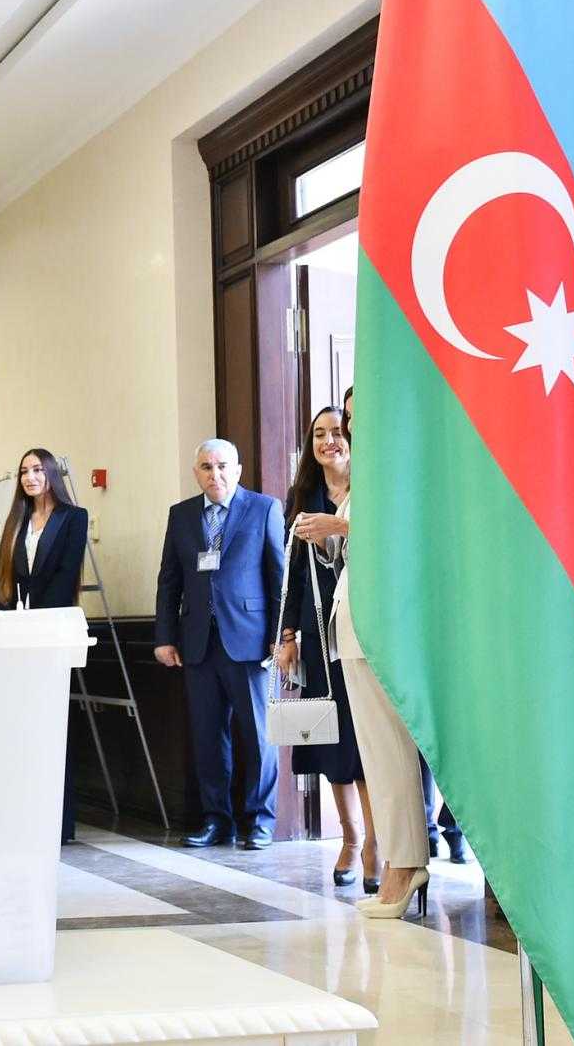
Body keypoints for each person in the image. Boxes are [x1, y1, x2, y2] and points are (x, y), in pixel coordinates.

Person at [327, 386, 431, 919]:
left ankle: (404, 861)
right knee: (376, 750)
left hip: (389, 618)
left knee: (392, 747)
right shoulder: (362, 473)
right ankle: (399, 857)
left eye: (359, 413)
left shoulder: (404, 462)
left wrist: (339, 525)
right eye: (347, 416)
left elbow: (401, 531)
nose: (351, 425)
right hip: (355, 616)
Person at [153, 439, 286, 851]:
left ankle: (260, 821)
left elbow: (277, 575)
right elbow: (169, 579)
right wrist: (164, 637)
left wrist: (281, 637)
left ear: (238, 469)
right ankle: (217, 820)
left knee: (260, 736)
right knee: (209, 738)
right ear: (196, 472)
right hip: (197, 643)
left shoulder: (264, 508)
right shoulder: (181, 515)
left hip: (250, 642)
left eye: (223, 466)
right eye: (207, 467)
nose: (216, 474)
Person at [278, 408, 376, 889]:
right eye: (319, 434)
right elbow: (291, 577)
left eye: (337, 432)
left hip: (364, 632)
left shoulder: (370, 490)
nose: (329, 441)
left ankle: (379, 843)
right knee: (331, 740)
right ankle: (350, 838)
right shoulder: (302, 499)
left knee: (365, 742)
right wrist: (288, 637)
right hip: (319, 638)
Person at [0, 448, 90, 843]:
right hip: (17, 633)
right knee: (22, 727)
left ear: (50, 474)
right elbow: (7, 578)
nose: (29, 477)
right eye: (23, 472)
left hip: (50, 630)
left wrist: (36, 624)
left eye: (36, 470)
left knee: (54, 727)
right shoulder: (17, 520)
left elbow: (66, 576)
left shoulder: (73, 518)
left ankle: (60, 822)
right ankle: (24, 814)